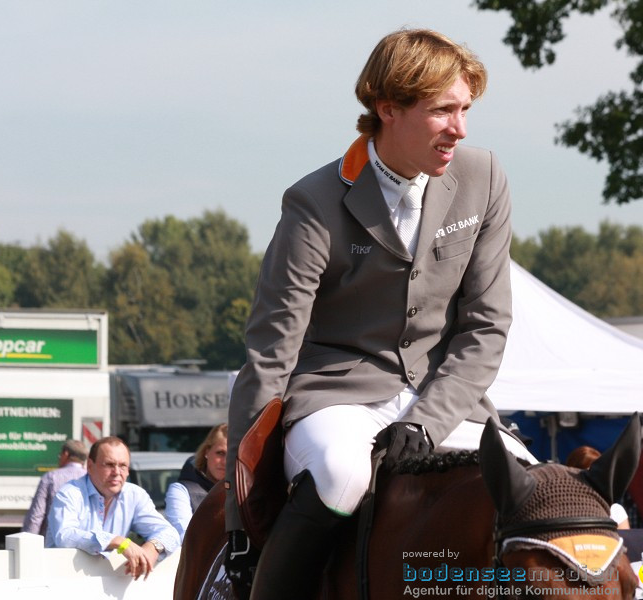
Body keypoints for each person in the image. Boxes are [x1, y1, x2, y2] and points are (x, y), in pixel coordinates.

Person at [225, 28, 534, 599]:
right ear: (388, 108)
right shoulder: (314, 202)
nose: (460, 129)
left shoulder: (485, 177)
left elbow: (486, 326)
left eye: (465, 110)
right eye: (443, 111)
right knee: (344, 476)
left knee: (538, 490)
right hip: (337, 395)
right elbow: (272, 352)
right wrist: (239, 511)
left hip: (442, 400)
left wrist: (425, 421)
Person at [47, 436, 180, 580]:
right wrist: (118, 541)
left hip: (110, 585)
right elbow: (64, 536)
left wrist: (151, 550)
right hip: (63, 582)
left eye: (123, 465)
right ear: (90, 466)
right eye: (109, 464)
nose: (117, 472)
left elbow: (170, 533)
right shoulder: (70, 493)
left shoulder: (134, 495)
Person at [164, 423, 227, 538]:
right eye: (220, 453)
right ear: (207, 452)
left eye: (231, 455)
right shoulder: (182, 490)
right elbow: (185, 536)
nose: (225, 462)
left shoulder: (244, 491)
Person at [21, 439, 87, 536]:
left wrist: (27, 541)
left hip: (53, 544)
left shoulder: (50, 477)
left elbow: (36, 515)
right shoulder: (90, 478)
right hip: (83, 543)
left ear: (65, 454)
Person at [566, 445, 631, 529]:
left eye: (595, 472)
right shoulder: (560, 507)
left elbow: (624, 540)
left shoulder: (615, 511)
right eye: (581, 472)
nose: (588, 478)